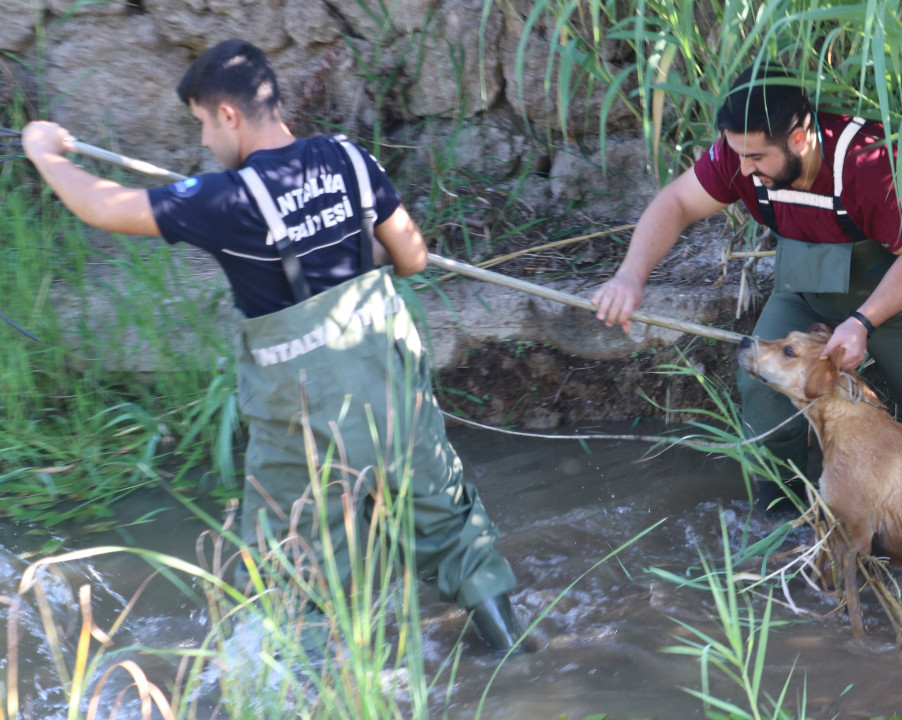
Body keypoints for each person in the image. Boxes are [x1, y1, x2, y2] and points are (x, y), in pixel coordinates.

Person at [22, 39, 525, 652]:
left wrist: (45, 154)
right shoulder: (349, 158)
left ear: (228, 116)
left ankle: (326, 693)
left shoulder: (223, 200)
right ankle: (517, 653)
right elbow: (414, 259)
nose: (206, 143)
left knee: (299, 563)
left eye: (204, 126)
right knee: (449, 525)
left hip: (306, 419)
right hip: (393, 394)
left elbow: (101, 207)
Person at [593, 65, 902, 510]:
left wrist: (862, 321)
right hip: (805, 293)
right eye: (736, 155)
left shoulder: (870, 162)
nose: (742, 170)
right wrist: (630, 275)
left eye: (755, 158)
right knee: (760, 383)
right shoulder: (741, 156)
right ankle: (783, 518)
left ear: (799, 137)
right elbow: (676, 202)